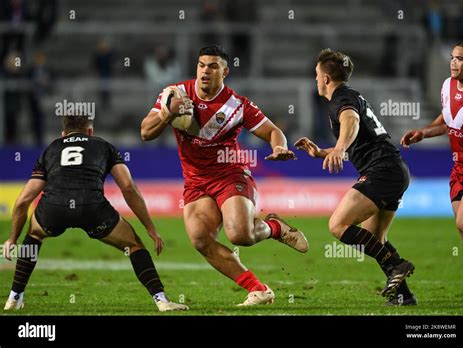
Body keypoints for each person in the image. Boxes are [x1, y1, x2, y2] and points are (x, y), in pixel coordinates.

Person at [141, 45, 308, 306]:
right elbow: (146, 132)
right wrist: (167, 113)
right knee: (200, 239)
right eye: (201, 65)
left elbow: (273, 131)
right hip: (196, 181)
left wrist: (279, 147)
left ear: (225, 71)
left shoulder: (237, 105)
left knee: (240, 235)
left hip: (230, 174)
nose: (205, 71)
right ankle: (259, 289)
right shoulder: (175, 94)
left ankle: (275, 227)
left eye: (213, 66)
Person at [3, 115, 188, 312]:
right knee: (134, 245)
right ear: (90, 131)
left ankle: (14, 297)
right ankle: (161, 300)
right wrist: (150, 228)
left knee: (33, 235)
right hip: (92, 208)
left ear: (63, 134)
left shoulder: (51, 149)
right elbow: (128, 188)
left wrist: (12, 239)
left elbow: (24, 200)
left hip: (53, 208)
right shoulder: (103, 146)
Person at [295, 49, 416, 305]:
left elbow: (351, 121)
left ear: (326, 79)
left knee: (338, 225)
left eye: (317, 75)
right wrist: (321, 152)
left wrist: (338, 149)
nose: (315, 80)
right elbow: (357, 139)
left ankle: (396, 265)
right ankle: (404, 296)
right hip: (393, 169)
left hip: (381, 170)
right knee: (374, 238)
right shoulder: (351, 95)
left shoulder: (341, 98)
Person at [400, 41, 463, 254]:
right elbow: (447, 120)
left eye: (460, 59)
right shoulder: (447, 86)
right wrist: (423, 132)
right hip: (458, 169)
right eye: (452, 57)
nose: (453, 62)